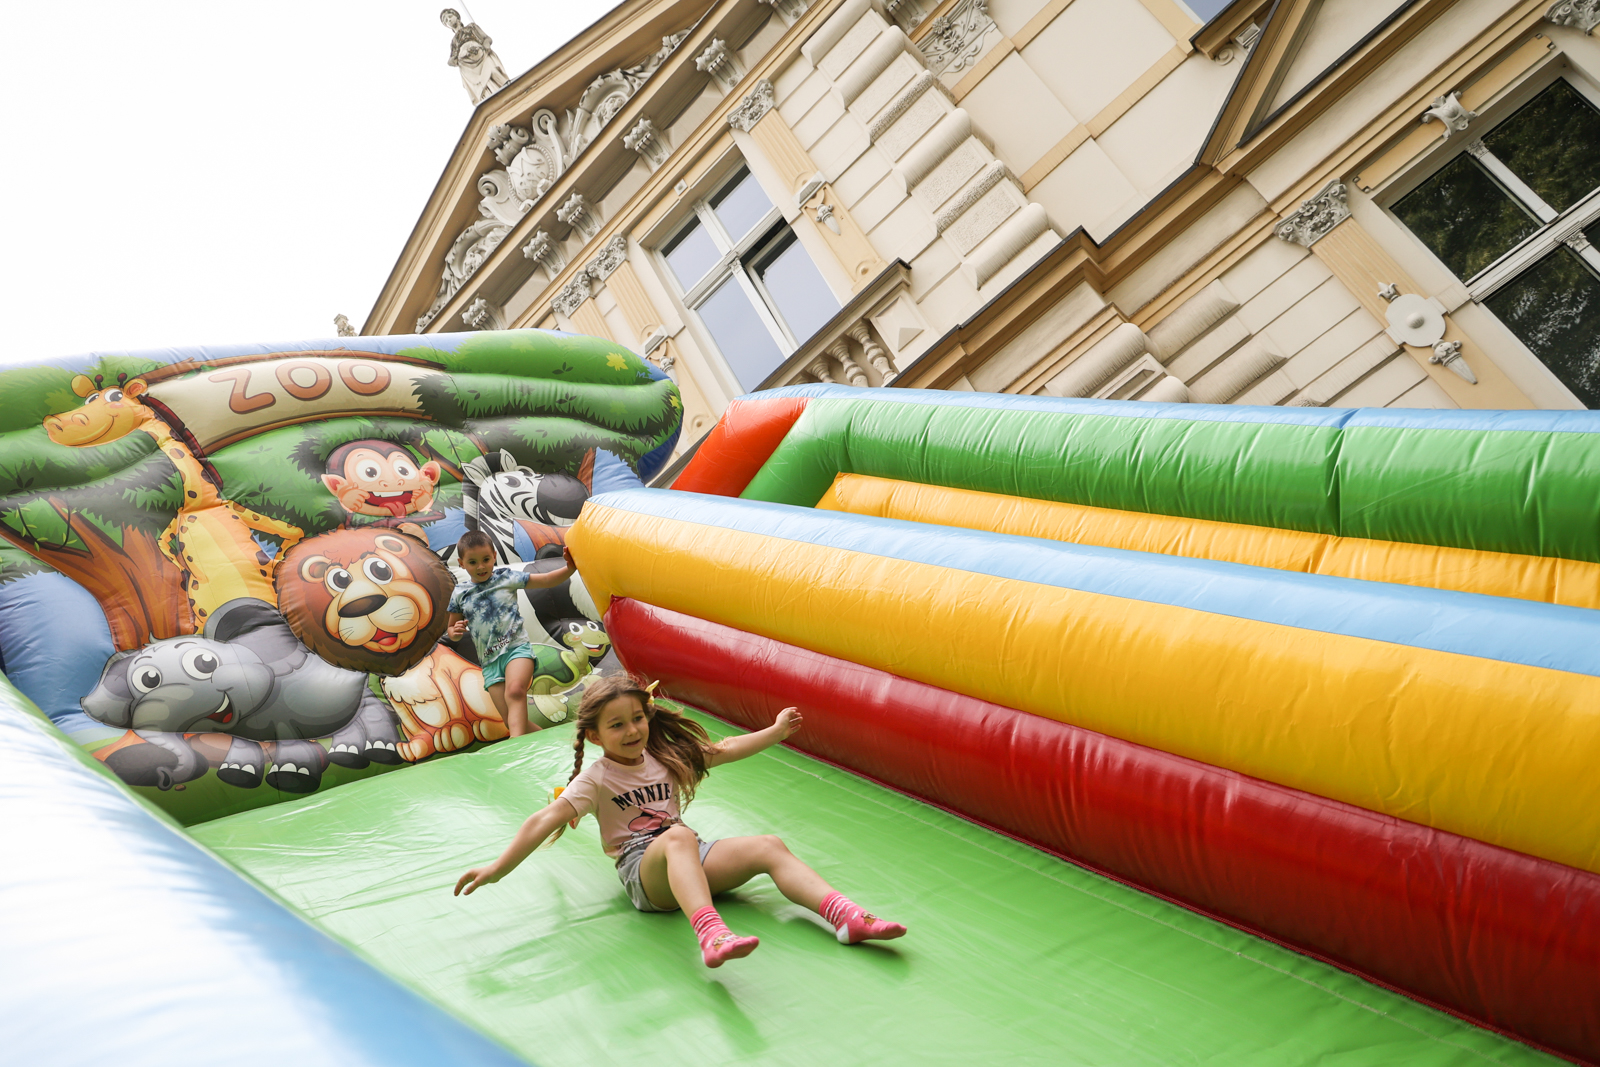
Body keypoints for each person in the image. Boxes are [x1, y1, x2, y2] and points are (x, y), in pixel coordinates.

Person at [454, 672, 907, 967]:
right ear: (594, 736)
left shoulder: (663, 757)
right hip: (645, 873)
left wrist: (774, 732)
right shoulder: (597, 778)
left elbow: (722, 750)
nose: (632, 730)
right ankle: (712, 935)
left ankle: (846, 917)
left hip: (689, 854)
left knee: (768, 846)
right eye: (617, 725)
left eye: (637, 718)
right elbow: (545, 818)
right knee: (677, 836)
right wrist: (498, 868)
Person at [446, 530, 574, 737]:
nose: (481, 566)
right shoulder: (460, 593)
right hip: (490, 662)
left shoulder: (505, 578)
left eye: (486, 559)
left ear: (494, 556)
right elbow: (452, 629)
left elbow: (546, 580)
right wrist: (456, 631)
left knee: (515, 691)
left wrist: (569, 568)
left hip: (516, 650)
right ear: (461, 563)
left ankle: (516, 748)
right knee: (512, 722)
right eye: (472, 562)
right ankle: (552, 743)